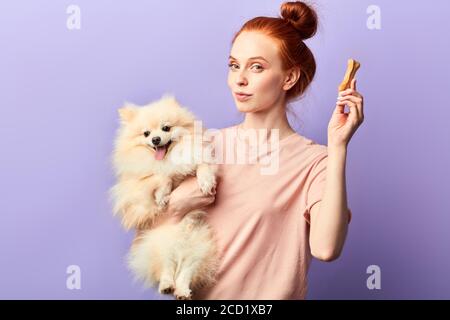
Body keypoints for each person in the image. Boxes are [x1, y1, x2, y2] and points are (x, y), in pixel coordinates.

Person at [136, 1, 364, 300]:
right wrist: (177, 206)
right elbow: (144, 250)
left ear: (289, 77)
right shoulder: (202, 146)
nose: (239, 79)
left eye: (256, 67)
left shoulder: (315, 162)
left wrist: (338, 146)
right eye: (234, 65)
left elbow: (325, 249)